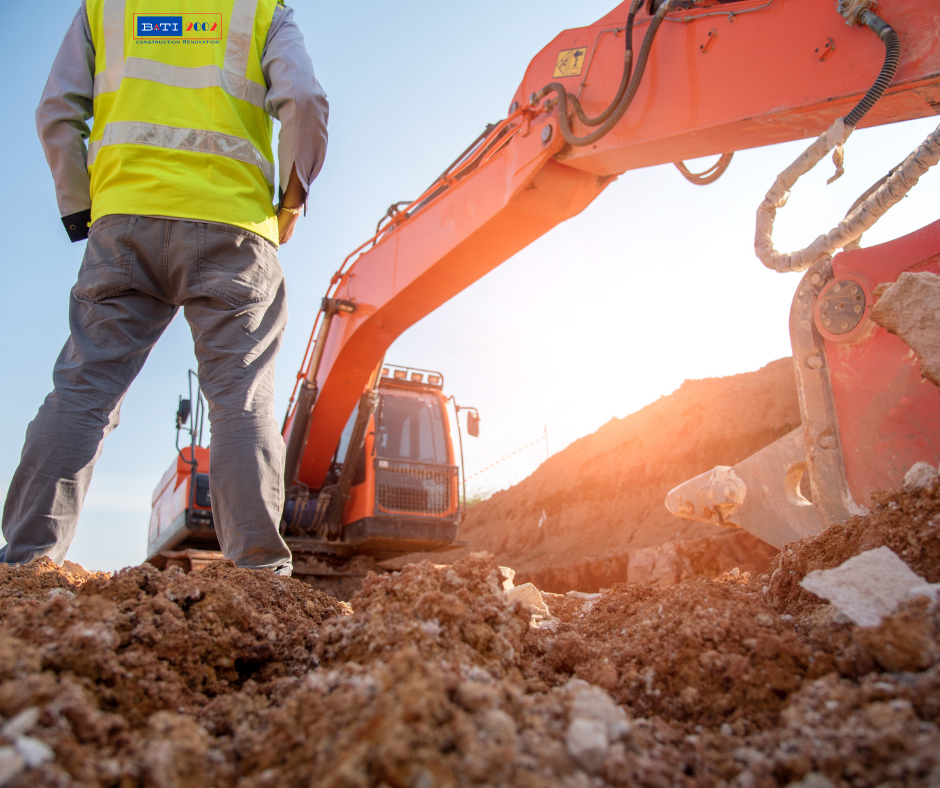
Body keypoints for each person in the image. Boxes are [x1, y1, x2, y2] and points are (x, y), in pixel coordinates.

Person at [0, 0, 329, 576]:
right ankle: (258, 575)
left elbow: (56, 110)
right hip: (234, 228)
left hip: (124, 224)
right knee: (239, 400)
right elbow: (302, 99)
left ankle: (25, 565)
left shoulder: (106, 10)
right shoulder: (259, 12)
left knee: (83, 392)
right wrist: (293, 197)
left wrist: (82, 209)